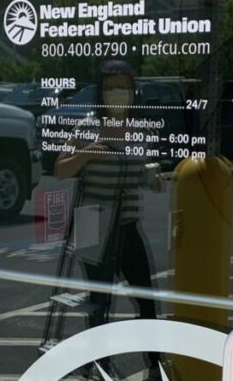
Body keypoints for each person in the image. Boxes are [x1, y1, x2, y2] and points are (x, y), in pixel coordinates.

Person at [55, 60, 160, 339]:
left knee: (145, 297)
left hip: (126, 224)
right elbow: (60, 169)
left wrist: (152, 180)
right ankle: (99, 365)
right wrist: (87, 153)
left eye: (122, 88)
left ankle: (154, 363)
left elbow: (142, 173)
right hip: (92, 221)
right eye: (110, 88)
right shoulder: (88, 127)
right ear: (101, 93)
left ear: (133, 92)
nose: (117, 93)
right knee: (99, 300)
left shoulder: (140, 132)